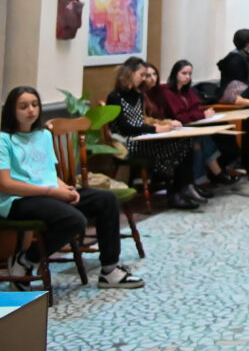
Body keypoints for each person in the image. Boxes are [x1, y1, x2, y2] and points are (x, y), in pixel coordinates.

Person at [1, 86, 145, 289]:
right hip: (18, 199)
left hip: (49, 192)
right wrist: (52, 191)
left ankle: (109, 270)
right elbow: (5, 184)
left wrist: (65, 189)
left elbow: (49, 174)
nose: (31, 110)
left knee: (106, 200)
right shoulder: (4, 140)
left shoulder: (43, 135)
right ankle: (26, 260)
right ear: (12, 111)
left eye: (34, 105)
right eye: (23, 106)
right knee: (75, 220)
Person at [107, 60, 201, 210]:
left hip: (143, 137)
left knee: (186, 142)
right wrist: (154, 130)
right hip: (127, 142)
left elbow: (140, 121)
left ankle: (181, 189)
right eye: (142, 74)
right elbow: (124, 127)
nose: (144, 78)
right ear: (130, 74)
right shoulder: (115, 96)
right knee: (176, 148)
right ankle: (175, 192)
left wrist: (158, 127)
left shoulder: (138, 95)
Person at [158, 60, 238, 186]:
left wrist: (202, 114)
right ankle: (207, 178)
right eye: (184, 73)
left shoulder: (188, 91)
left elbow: (196, 108)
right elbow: (180, 116)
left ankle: (212, 175)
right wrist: (202, 115)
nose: (187, 77)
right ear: (175, 74)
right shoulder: (167, 92)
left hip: (191, 126)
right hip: (175, 129)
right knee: (199, 140)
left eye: (189, 74)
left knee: (219, 134)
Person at [217, 28, 249, 93]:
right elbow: (237, 82)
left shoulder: (245, 55)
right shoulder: (235, 59)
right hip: (234, 93)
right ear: (246, 42)